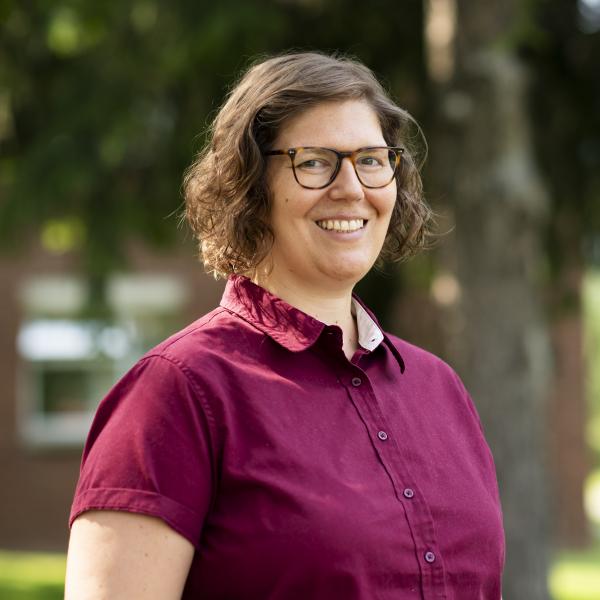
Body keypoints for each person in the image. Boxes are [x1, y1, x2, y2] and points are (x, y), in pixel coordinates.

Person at [65, 52, 505, 599]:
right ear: (249, 184)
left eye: (371, 160)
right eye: (315, 162)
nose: (351, 188)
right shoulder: (176, 393)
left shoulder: (440, 389)